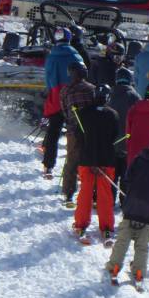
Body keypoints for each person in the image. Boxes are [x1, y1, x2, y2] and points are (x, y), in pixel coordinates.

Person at [105, 138, 149, 288]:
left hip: (132, 207)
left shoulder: (139, 159)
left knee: (123, 240)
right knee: (142, 245)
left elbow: (127, 178)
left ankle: (114, 266)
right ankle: (139, 271)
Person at [73, 85, 119, 243]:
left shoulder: (83, 113)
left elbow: (79, 137)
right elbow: (114, 137)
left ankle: (81, 224)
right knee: (105, 195)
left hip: (87, 160)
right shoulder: (113, 115)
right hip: (106, 161)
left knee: (85, 193)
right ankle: (106, 227)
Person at [41, 28, 83, 177]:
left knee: (53, 132)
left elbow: (49, 78)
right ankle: (78, 168)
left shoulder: (52, 56)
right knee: (76, 134)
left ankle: (48, 166)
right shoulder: (76, 55)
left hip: (57, 98)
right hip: (74, 98)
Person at [59, 61, 95, 206]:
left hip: (73, 131)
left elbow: (65, 112)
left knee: (71, 162)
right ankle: (92, 193)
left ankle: (68, 193)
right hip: (90, 131)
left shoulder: (65, 91)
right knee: (92, 162)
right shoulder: (92, 89)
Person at [107, 67, 140, 202]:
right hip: (128, 143)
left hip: (112, 142)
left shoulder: (110, 95)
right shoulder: (135, 96)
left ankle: (109, 198)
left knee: (112, 173)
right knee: (127, 174)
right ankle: (125, 200)